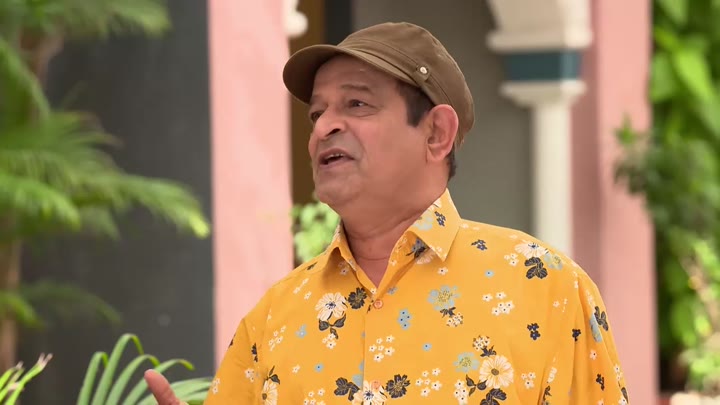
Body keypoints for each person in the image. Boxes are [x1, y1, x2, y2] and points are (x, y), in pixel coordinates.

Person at [146, 21, 630, 404]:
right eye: (317, 113)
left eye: (357, 103)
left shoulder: (544, 287)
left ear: (436, 134)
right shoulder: (274, 316)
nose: (324, 128)